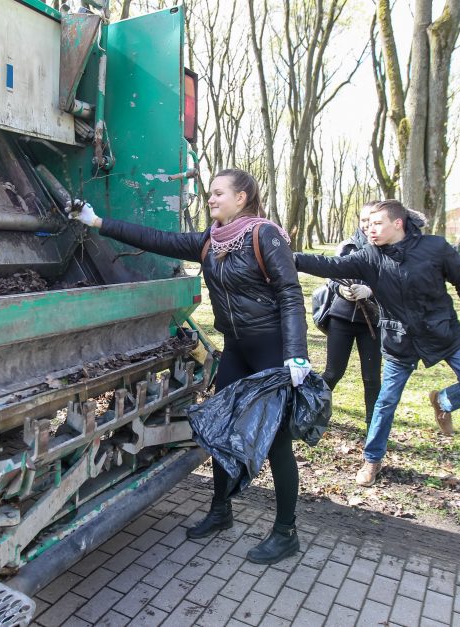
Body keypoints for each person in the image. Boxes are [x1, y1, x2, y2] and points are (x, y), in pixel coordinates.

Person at [70, 168, 310, 564]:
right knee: (218, 430)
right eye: (209, 194)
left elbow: (289, 291)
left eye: (218, 193)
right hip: (236, 348)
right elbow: (158, 240)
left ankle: (286, 532)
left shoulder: (264, 234)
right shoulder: (210, 241)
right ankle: (221, 511)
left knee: (277, 442)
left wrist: (296, 352)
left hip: (272, 352)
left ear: (242, 198)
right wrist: (97, 222)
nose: (211, 199)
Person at [295, 200, 460, 487]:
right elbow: (329, 265)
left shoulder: (435, 248)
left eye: (376, 224)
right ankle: (371, 460)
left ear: (397, 223)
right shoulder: (370, 256)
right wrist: (288, 255)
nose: (369, 229)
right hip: (399, 340)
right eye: (368, 224)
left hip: (444, 333)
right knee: (385, 402)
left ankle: (444, 401)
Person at [321, 203, 381, 428]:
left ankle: (373, 427)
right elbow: (331, 277)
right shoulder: (348, 246)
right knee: (332, 373)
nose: (367, 225)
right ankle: (312, 414)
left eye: (373, 220)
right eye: (364, 219)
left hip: (373, 323)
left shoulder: (388, 249)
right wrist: (341, 290)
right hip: (341, 318)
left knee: (371, 378)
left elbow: (396, 281)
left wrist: (371, 291)